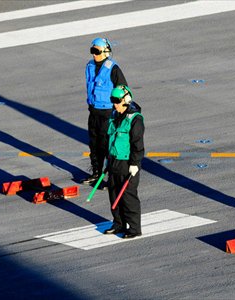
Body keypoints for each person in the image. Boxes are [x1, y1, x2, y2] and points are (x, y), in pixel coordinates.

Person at [83, 37, 128, 184]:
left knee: (108, 145)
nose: (94, 54)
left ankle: (111, 178)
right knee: (94, 144)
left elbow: (123, 89)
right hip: (93, 112)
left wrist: (122, 111)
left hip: (108, 113)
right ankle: (96, 173)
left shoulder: (113, 68)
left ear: (105, 51)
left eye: (96, 51)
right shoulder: (89, 66)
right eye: (92, 51)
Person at [103, 85, 144, 239]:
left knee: (127, 195)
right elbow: (110, 139)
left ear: (126, 100)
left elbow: (137, 144)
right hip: (114, 161)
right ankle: (118, 223)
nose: (114, 104)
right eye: (112, 100)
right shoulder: (114, 116)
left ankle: (134, 228)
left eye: (117, 101)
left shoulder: (135, 119)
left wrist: (135, 163)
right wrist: (108, 160)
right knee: (114, 193)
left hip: (128, 163)